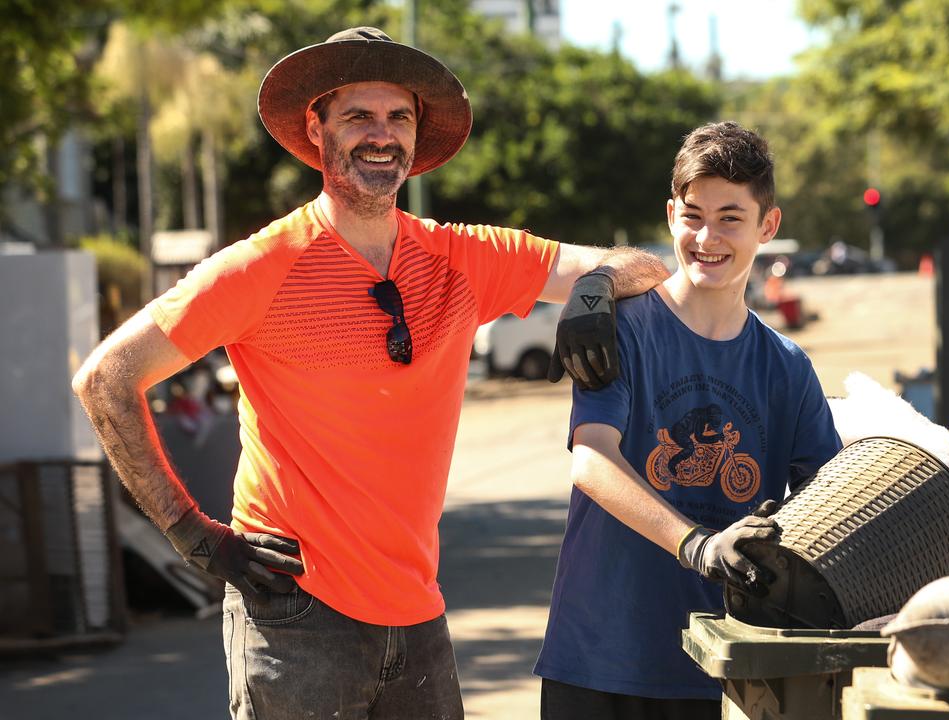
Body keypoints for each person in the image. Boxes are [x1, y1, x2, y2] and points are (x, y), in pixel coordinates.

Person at [72, 27, 668, 720]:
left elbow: (645, 267)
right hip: (294, 615)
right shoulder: (260, 268)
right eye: (358, 116)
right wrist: (191, 533)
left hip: (418, 615)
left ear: (416, 139)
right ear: (316, 128)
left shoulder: (461, 256)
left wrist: (594, 291)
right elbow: (106, 378)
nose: (380, 135)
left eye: (398, 117)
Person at [534, 122, 844, 719]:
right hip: (601, 657)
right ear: (671, 214)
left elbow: (828, 501)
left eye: (731, 217)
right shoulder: (622, 328)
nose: (708, 236)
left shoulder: (786, 367)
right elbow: (592, 459)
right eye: (694, 215)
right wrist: (698, 546)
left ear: (768, 225)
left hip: (723, 670)